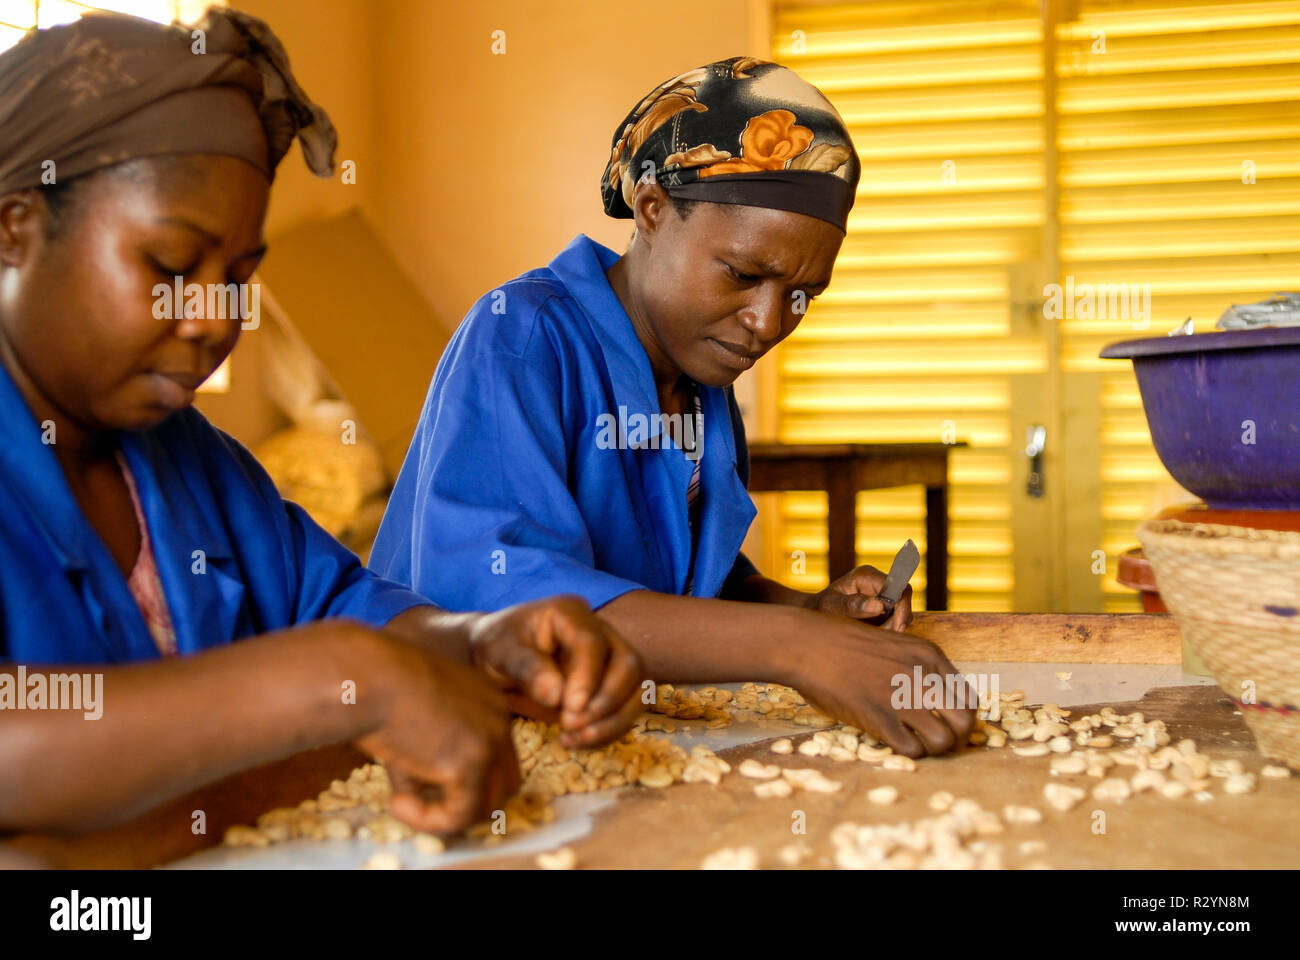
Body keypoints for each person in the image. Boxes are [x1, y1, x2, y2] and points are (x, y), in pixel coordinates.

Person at [0, 10, 643, 839]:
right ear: (15, 230)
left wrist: (486, 639)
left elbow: (346, 605)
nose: (210, 317)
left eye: (238, 278)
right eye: (168, 265)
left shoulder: (196, 466)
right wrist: (340, 677)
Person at [372, 57, 973, 757]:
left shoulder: (702, 384)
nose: (768, 322)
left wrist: (810, 613)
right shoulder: (525, 333)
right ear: (653, 210)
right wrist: (796, 647)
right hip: (454, 741)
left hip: (596, 742)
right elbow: (503, 592)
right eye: (744, 275)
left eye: (802, 295)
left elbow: (690, 589)